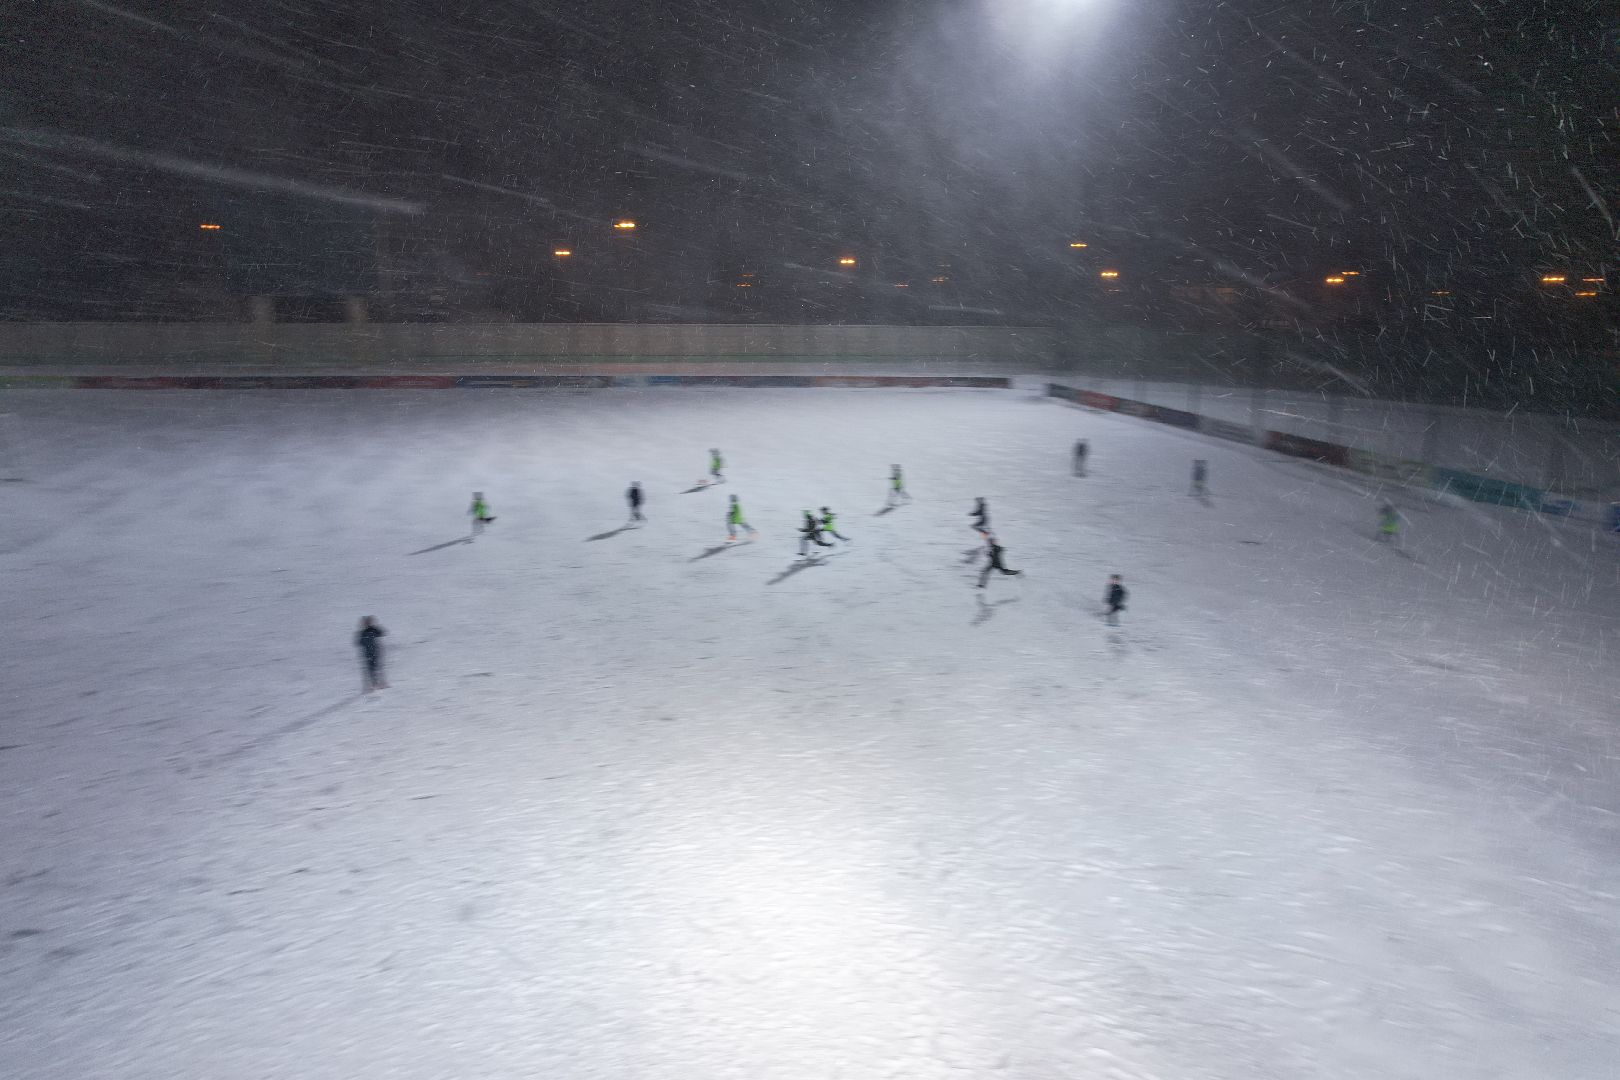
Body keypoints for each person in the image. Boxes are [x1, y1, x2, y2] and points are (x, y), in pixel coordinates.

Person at [355, 616, 387, 692]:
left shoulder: (371, 630)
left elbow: (382, 633)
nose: (367, 624)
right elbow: (359, 642)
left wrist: (374, 627)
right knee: (371, 669)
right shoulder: (363, 632)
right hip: (368, 653)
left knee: (377, 668)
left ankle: (380, 683)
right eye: (366, 622)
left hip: (374, 652)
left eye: (368, 622)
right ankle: (374, 684)